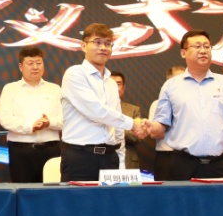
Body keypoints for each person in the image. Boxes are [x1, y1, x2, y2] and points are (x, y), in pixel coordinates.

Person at [149, 31, 223, 180]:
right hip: (182, 164)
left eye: (206, 46)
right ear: (183, 53)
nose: (203, 50)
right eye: (197, 46)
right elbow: (162, 125)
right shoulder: (171, 86)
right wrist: (149, 127)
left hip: (220, 163)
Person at [58, 23, 148, 182]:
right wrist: (133, 124)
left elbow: (117, 128)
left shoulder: (111, 83)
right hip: (80, 158)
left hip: (109, 158)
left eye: (108, 43)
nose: (103, 48)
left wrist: (121, 164)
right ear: (83, 46)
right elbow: (96, 111)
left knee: (110, 199)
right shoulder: (74, 74)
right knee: (78, 199)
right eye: (97, 42)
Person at [0, 46, 62, 183]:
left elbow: (65, 119)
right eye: (30, 63)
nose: (35, 67)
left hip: (51, 150)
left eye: (39, 63)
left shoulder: (55, 89)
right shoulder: (10, 89)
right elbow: (5, 119)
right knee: (23, 191)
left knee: (51, 190)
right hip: (21, 151)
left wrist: (49, 122)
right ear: (21, 67)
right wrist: (30, 126)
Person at [148, 65, 185, 181]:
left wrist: (168, 131)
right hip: (165, 157)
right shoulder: (157, 104)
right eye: (177, 79)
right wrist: (183, 132)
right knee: (164, 191)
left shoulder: (194, 105)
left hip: (188, 158)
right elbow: (154, 133)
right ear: (168, 81)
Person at [112, 72, 144, 170]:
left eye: (118, 84)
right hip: (102, 159)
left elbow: (137, 136)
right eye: (111, 84)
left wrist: (113, 128)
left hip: (127, 160)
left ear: (123, 87)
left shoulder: (133, 110)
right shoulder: (97, 110)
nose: (115, 87)